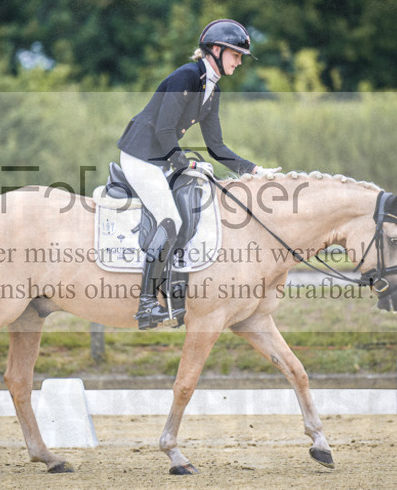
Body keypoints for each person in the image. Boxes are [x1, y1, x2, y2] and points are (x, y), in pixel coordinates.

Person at [117, 19, 279, 330]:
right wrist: (185, 163)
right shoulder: (187, 76)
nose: (239, 61)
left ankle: (177, 292)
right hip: (140, 157)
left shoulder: (210, 87)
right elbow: (164, 129)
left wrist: (256, 171)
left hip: (160, 159)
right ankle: (148, 302)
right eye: (235, 54)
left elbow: (216, 146)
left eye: (241, 56)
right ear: (215, 50)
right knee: (171, 220)